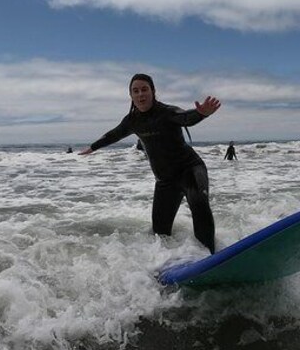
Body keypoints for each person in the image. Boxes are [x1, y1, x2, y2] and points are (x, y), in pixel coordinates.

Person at [80, 74, 221, 253]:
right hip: (165, 181)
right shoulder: (132, 120)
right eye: (135, 91)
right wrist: (93, 147)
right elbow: (114, 134)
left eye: (144, 89)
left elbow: (186, 117)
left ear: (153, 91)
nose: (140, 94)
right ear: (131, 95)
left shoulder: (167, 112)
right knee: (160, 232)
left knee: (199, 203)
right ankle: (167, 262)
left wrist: (201, 113)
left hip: (189, 170)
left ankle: (209, 255)